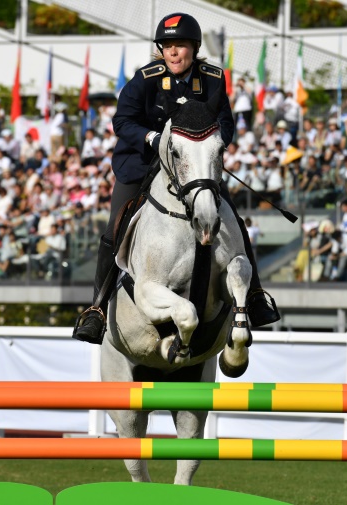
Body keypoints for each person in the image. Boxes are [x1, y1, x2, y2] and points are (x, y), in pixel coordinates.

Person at [73, 12, 280, 344]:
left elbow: (225, 121)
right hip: (142, 163)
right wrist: (153, 139)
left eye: (180, 46)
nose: (173, 53)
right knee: (116, 226)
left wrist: (212, 146)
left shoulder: (212, 78)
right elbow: (122, 122)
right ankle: (96, 310)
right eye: (167, 46)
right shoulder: (146, 79)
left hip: (194, 168)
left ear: (194, 48)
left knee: (234, 220)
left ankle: (254, 296)